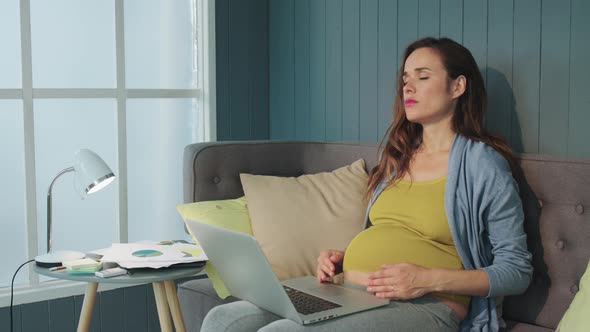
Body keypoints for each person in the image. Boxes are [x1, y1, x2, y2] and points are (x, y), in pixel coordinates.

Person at [201, 37, 533, 332]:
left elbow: (516, 271)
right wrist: (343, 258)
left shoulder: (483, 165)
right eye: (405, 79)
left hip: (426, 305)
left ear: (457, 86)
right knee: (224, 320)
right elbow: (391, 233)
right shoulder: (398, 157)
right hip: (346, 289)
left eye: (423, 76)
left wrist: (425, 279)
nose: (408, 87)